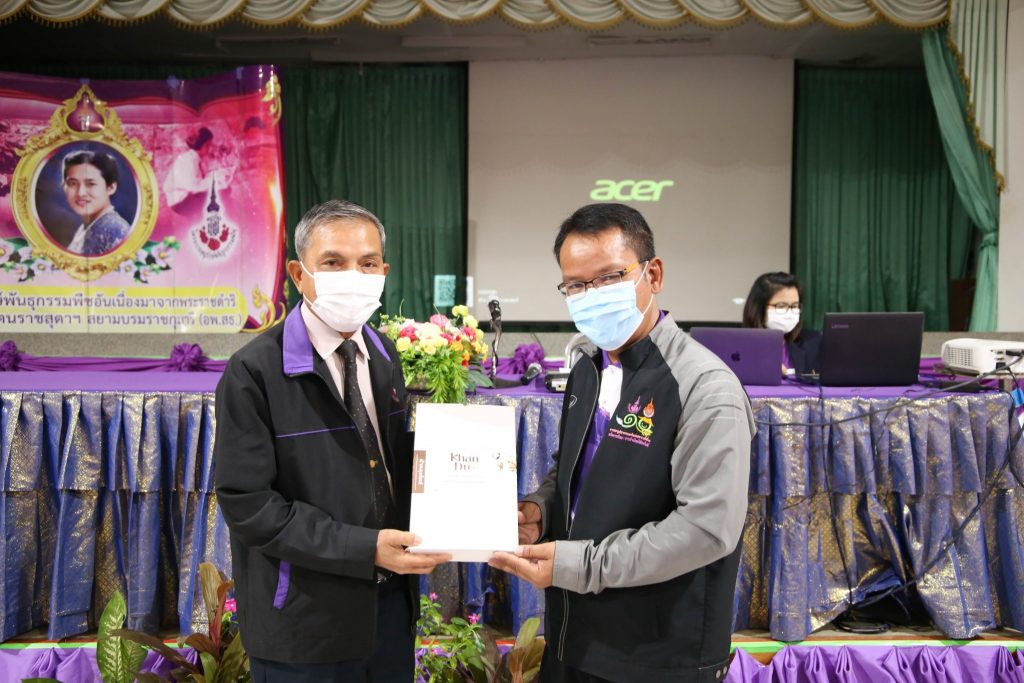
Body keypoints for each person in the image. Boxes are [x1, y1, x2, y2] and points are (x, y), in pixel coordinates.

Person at [490, 203, 755, 683]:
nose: (591, 296)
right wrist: (540, 510)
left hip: (656, 653)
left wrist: (579, 565)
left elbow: (706, 529)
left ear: (653, 275)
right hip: (576, 636)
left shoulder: (705, 387)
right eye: (576, 285)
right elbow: (578, 467)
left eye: (610, 277)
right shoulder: (587, 368)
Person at [214, 200, 450, 682]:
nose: (353, 276)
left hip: (388, 609)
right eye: (333, 263)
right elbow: (249, 505)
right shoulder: (254, 372)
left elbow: (386, 463)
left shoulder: (383, 354)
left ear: (384, 273)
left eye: (367, 263)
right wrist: (363, 548)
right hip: (304, 620)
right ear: (299, 275)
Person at [741, 271, 821, 376]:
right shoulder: (740, 346)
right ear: (759, 308)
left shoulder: (812, 342)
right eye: (781, 306)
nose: (789, 313)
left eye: (794, 306)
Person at [61, 150, 131, 255]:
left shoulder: (115, 229)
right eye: (73, 183)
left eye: (91, 184)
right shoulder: (86, 227)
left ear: (111, 187)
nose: (81, 193)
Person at [162, 126, 217, 210]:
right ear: (202, 144)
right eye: (208, 145)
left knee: (222, 191)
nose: (210, 149)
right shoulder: (188, 160)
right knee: (218, 194)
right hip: (180, 201)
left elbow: (200, 180)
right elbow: (193, 186)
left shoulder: (196, 159)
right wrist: (212, 182)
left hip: (187, 196)